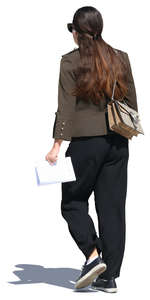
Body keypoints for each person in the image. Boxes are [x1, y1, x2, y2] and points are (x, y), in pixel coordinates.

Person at [45, 6, 138, 293]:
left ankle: (93, 256)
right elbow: (131, 101)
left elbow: (66, 108)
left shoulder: (70, 62)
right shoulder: (120, 58)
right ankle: (109, 278)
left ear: (76, 32)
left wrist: (56, 145)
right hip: (117, 143)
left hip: (85, 144)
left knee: (72, 202)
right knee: (112, 209)